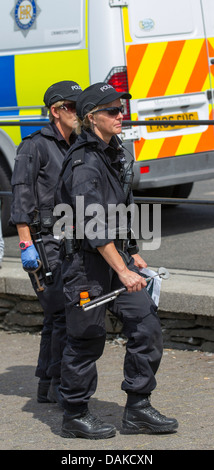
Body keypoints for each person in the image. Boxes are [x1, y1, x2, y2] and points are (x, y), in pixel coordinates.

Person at [56, 82, 179, 439]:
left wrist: (133, 251)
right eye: (112, 111)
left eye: (121, 108)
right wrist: (123, 270)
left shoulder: (114, 152)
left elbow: (121, 210)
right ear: (92, 117)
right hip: (86, 264)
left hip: (117, 256)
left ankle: (138, 407)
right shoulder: (83, 162)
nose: (120, 115)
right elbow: (93, 223)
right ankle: (75, 414)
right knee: (86, 339)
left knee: (146, 325)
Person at [10, 80, 82, 404]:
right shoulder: (34, 146)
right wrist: (26, 245)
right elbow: (21, 195)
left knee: (59, 313)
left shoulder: (78, 144)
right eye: (74, 106)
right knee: (61, 310)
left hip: (69, 238)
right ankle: (57, 383)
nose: (81, 112)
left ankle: (48, 384)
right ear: (56, 111)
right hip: (41, 241)